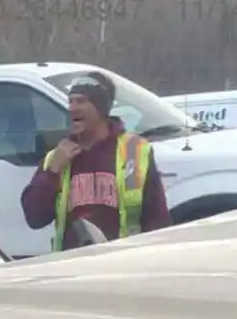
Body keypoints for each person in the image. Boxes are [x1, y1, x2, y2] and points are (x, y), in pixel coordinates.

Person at [21, 72, 170, 250]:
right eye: (71, 101)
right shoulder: (58, 156)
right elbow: (34, 217)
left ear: (101, 108)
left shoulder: (135, 150)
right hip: (72, 265)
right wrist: (52, 172)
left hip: (122, 261)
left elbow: (157, 219)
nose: (72, 108)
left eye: (81, 101)